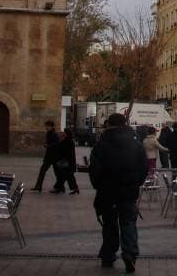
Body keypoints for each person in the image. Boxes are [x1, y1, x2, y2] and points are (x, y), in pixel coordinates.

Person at [90, 113, 149, 272]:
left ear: (109, 124)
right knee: (128, 223)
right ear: (125, 124)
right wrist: (136, 183)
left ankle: (108, 255)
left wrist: (99, 186)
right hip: (128, 191)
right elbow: (144, 168)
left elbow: (94, 170)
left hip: (107, 191)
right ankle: (129, 254)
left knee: (109, 223)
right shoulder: (136, 144)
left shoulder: (101, 145)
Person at [33, 120, 60, 192]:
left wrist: (48, 146)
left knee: (56, 172)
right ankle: (38, 186)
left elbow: (56, 144)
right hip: (49, 156)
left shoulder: (54, 134)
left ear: (51, 126)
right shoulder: (49, 133)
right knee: (43, 171)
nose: (46, 127)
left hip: (53, 156)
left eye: (47, 126)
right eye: (46, 126)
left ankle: (60, 187)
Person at [52, 126, 79, 194]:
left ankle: (59, 188)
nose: (63, 133)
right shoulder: (68, 140)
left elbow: (63, 150)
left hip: (67, 162)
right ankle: (61, 188)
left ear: (66, 133)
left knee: (63, 175)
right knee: (66, 176)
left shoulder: (68, 141)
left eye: (64, 132)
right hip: (68, 161)